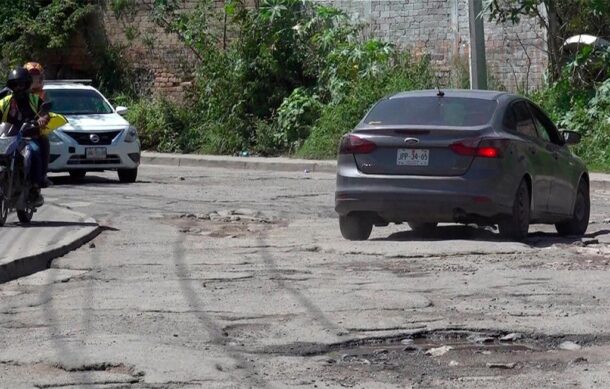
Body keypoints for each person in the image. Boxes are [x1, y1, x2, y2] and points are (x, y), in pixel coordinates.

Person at [0, 68, 50, 206]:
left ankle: (35, 187)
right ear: (11, 86)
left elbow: (45, 112)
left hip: (28, 136)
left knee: (33, 152)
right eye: (15, 84)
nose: (18, 88)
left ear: (27, 84)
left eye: (21, 84)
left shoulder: (34, 99)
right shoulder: (6, 101)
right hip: (9, 136)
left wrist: (42, 119)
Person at [24, 62, 52, 187]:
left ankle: (38, 181)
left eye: (37, 77)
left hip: (30, 131)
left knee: (36, 148)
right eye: (30, 77)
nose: (34, 80)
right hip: (12, 131)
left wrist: (42, 118)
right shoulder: (13, 92)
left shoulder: (42, 95)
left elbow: (46, 110)